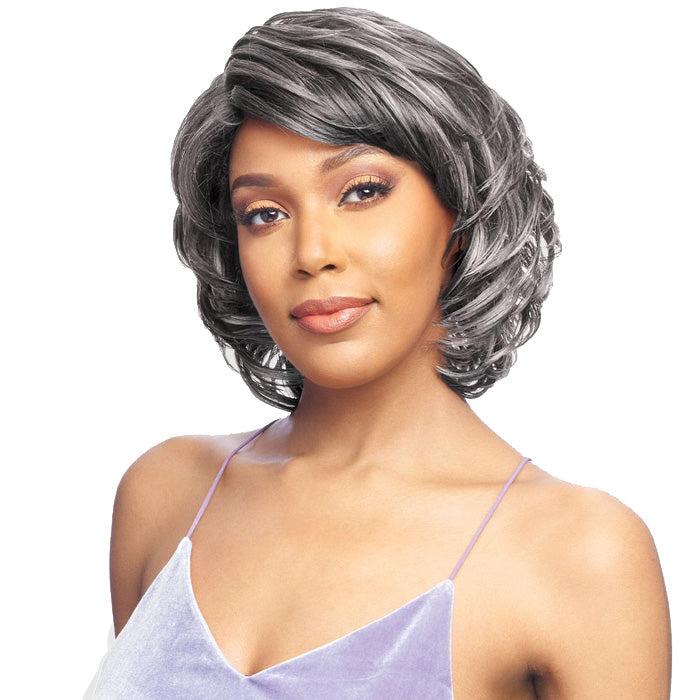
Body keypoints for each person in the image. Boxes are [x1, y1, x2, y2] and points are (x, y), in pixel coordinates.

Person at [88, 7, 671, 698]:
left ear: (460, 215)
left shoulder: (578, 553)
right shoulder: (166, 495)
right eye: (265, 214)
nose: (312, 253)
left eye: (362, 192)